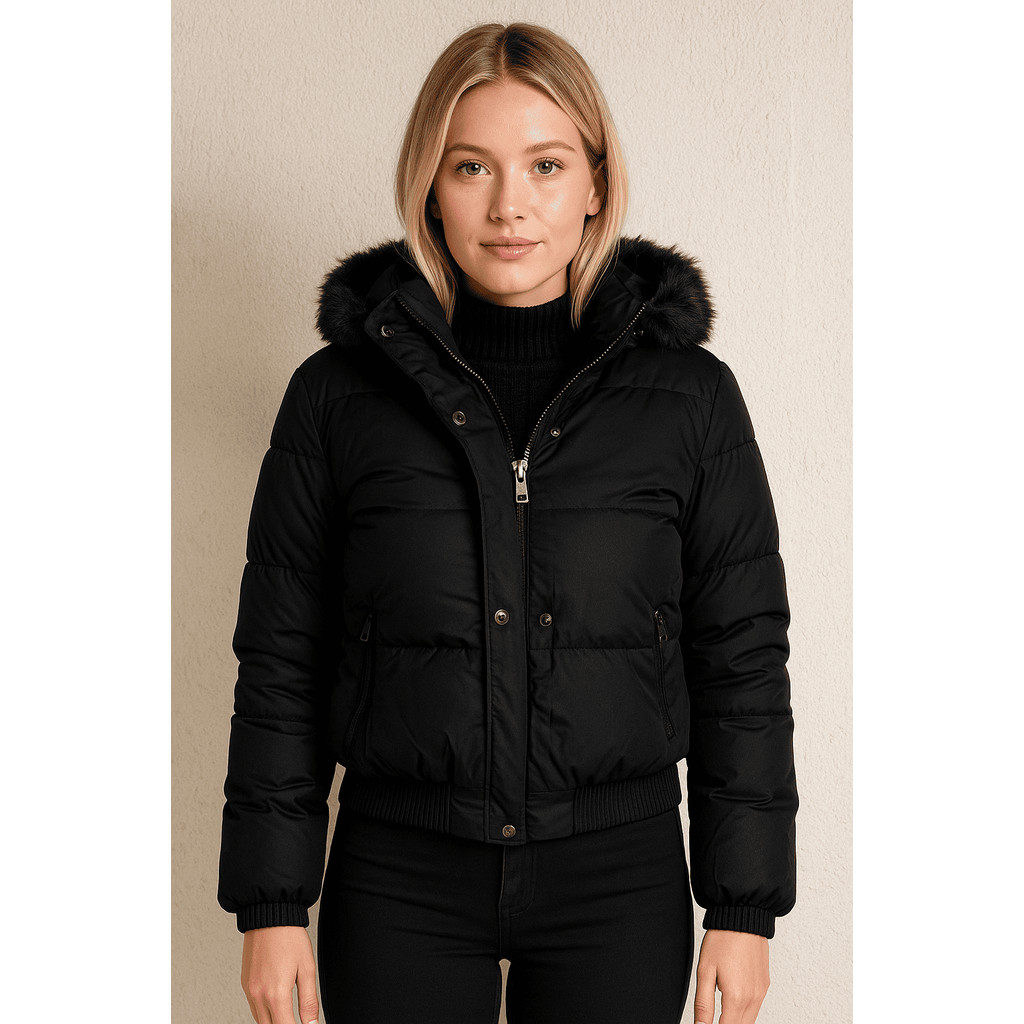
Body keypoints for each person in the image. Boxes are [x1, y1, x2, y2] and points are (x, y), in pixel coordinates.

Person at [217, 21, 798, 1024]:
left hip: (617, 879)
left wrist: (743, 908)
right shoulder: (335, 398)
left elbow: (741, 655)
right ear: (428, 187)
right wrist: (271, 904)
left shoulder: (690, 399)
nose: (508, 205)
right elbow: (281, 656)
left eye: (546, 164)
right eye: (471, 166)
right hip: (399, 877)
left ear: (595, 184)